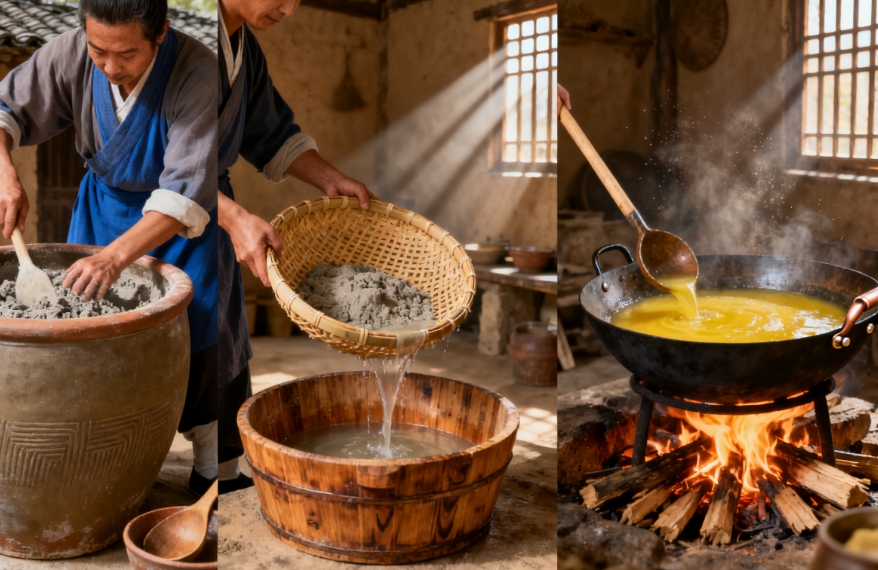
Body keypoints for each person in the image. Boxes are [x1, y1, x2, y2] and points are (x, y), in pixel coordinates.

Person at [0, 0, 219, 494]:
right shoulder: (70, 52)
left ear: (160, 33)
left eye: (127, 54)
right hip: (103, 209)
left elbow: (185, 190)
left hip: (178, 221)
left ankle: (208, 458)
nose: (110, 67)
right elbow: (5, 109)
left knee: (198, 329)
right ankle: (99, 447)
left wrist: (115, 257)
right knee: (90, 336)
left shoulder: (197, 69)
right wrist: (4, 173)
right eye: (98, 50)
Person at [216, 0, 376, 493]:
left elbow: (270, 133)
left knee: (220, 344)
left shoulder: (246, 51)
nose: (288, 10)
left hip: (212, 212)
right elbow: (160, 155)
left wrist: (330, 178)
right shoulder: (175, 33)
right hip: (145, 215)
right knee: (152, 349)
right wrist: (235, 218)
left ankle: (218, 473)